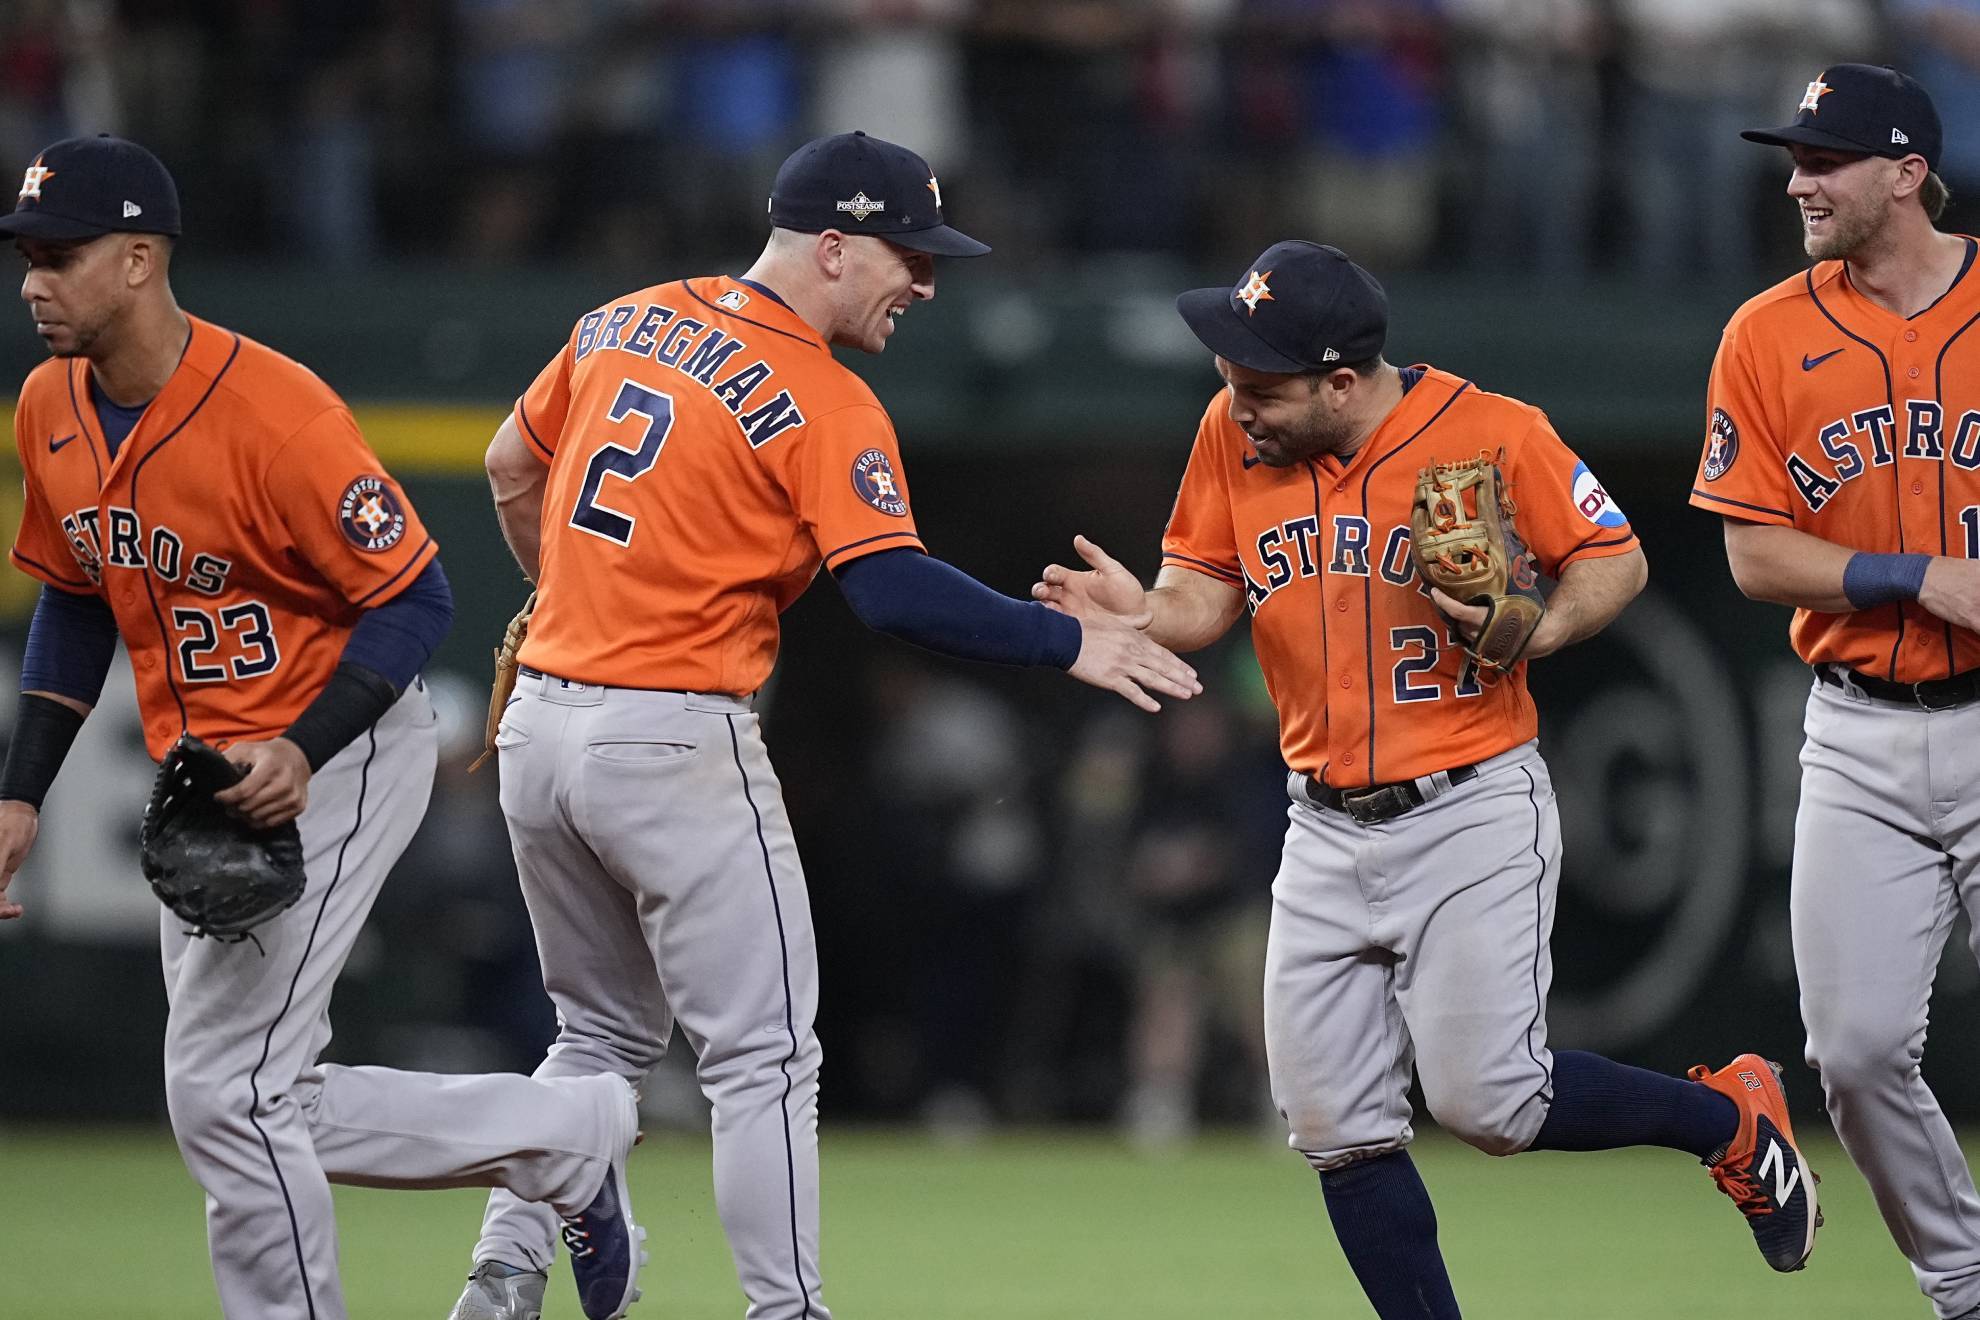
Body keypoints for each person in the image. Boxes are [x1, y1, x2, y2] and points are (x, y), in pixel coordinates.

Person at [449, 130, 1200, 1320]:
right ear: (834, 246)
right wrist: (1070, 640)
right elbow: (890, 587)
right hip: (672, 732)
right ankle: (786, 1310)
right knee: (763, 1059)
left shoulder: (620, 318)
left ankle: (501, 1275)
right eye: (910, 253)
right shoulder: (822, 393)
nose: (928, 281)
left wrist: (568, 597)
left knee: (593, 1037)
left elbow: (505, 466)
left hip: (541, 728)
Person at [1033, 240, 1819, 1318]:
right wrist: (1139, 612)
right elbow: (1202, 594)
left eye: (1264, 382)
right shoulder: (1234, 431)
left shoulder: (1492, 432)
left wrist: (1540, 629)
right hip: (1319, 821)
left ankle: (1729, 1121)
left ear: (1343, 382)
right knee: (1332, 1124)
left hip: (1469, 805)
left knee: (1490, 1105)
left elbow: (1616, 559)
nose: (1236, 396)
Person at [0, 135, 643, 1320]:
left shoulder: (278, 413)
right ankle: (567, 1133)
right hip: (204, 778)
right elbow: (76, 597)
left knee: (225, 1094)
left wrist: (304, 745)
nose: (34, 280)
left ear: (140, 259)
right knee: (252, 1094)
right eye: (26, 256)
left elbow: (419, 598)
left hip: (334, 748)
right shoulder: (49, 406)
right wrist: (22, 790)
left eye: (59, 254)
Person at [1696, 63, 1980, 1320]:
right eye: (1795, 159)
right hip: (1858, 729)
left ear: (1909, 172)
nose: (1800, 181)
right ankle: (1965, 1283)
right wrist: (1921, 574)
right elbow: (1755, 554)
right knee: (1855, 1054)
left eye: (1829, 160)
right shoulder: (1767, 331)